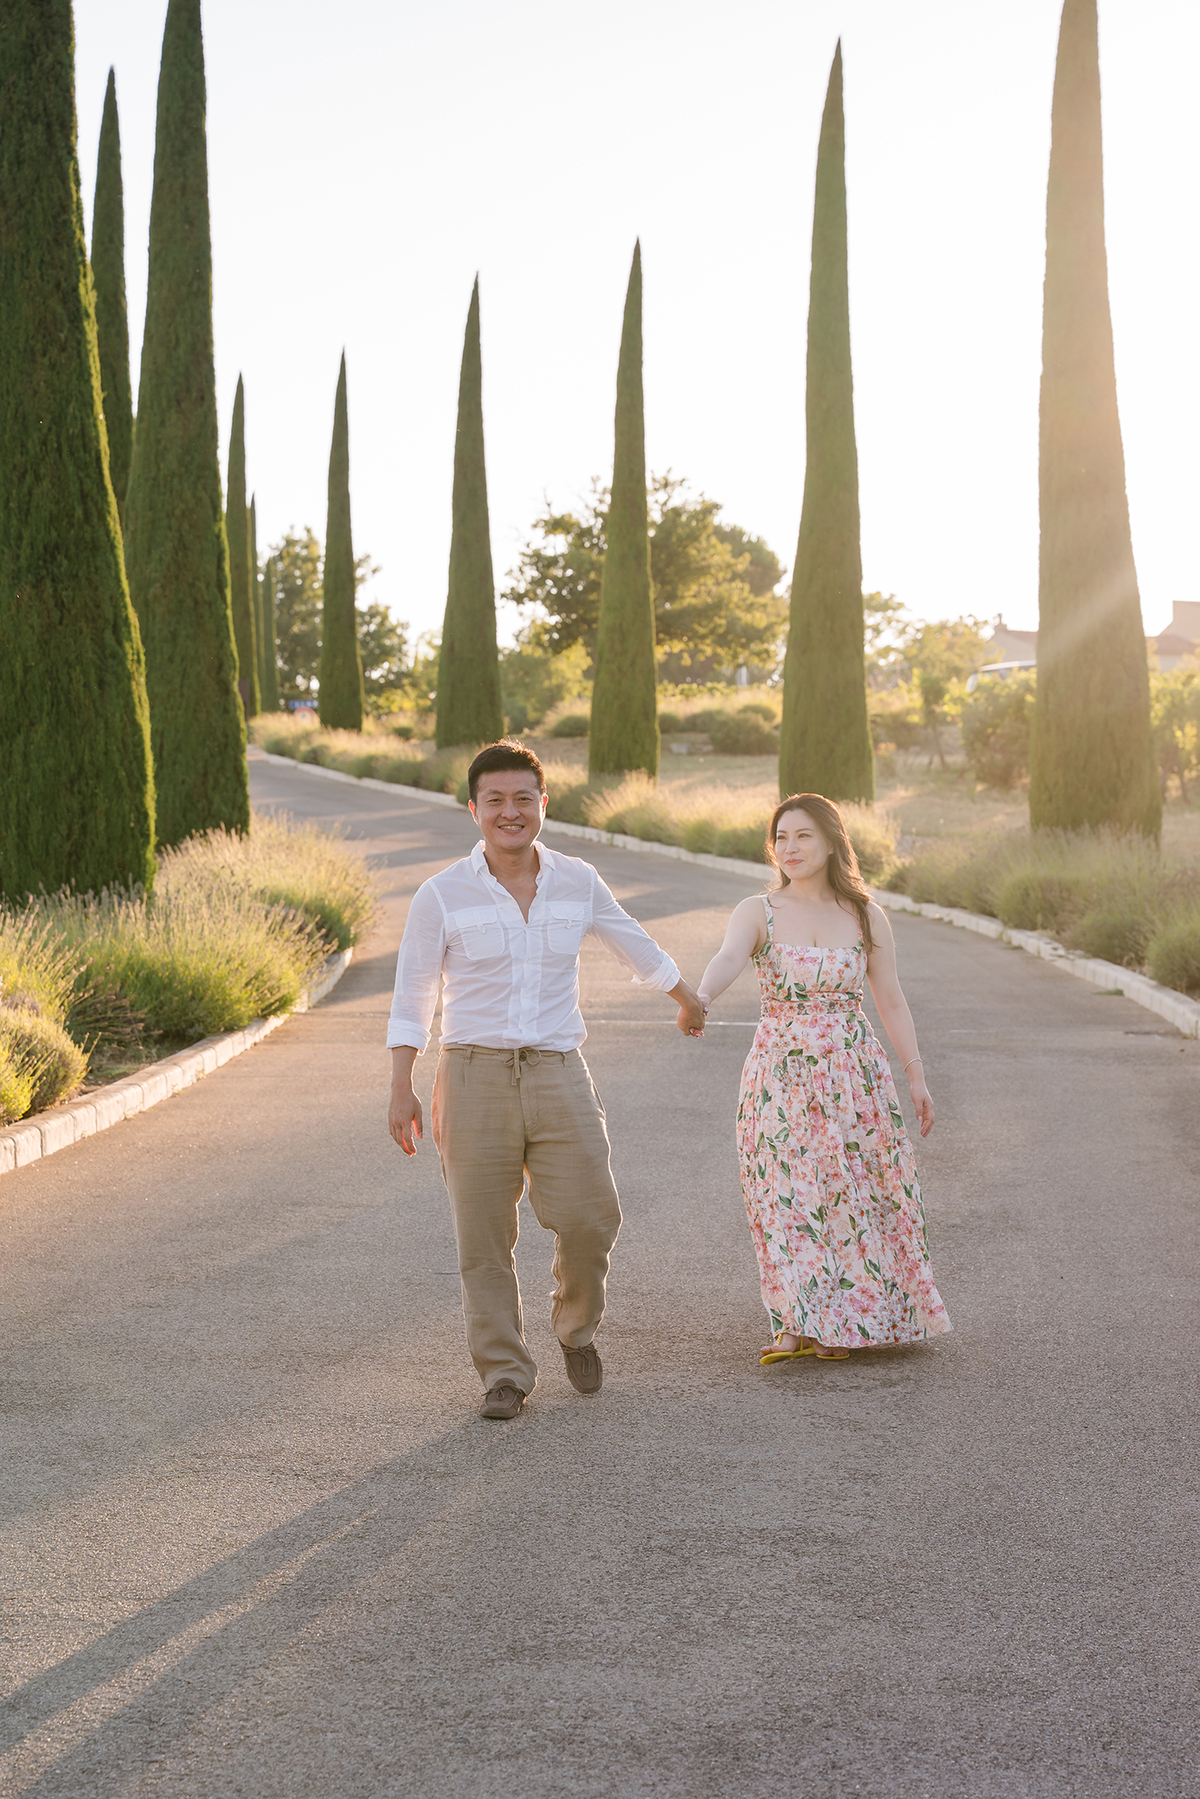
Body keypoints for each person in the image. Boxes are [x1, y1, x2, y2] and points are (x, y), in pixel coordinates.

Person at [387, 739, 706, 1420]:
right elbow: (412, 990)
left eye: (523, 799)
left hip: (560, 1070)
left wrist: (685, 994)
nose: (510, 811)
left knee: (593, 1215)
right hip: (472, 1075)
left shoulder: (577, 879)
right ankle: (503, 1371)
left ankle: (576, 1326)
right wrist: (400, 1082)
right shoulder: (440, 894)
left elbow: (629, 937)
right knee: (482, 1234)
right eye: (495, 800)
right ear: (474, 808)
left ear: (543, 805)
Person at [696, 792, 951, 1362]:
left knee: (860, 1193)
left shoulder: (865, 914)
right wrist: (703, 997)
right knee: (789, 1194)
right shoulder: (757, 910)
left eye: (803, 835)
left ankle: (854, 1319)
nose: (790, 847)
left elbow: (891, 999)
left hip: (854, 1072)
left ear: (832, 840)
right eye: (781, 837)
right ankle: (797, 1321)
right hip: (780, 1074)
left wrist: (916, 1076)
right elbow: (729, 958)